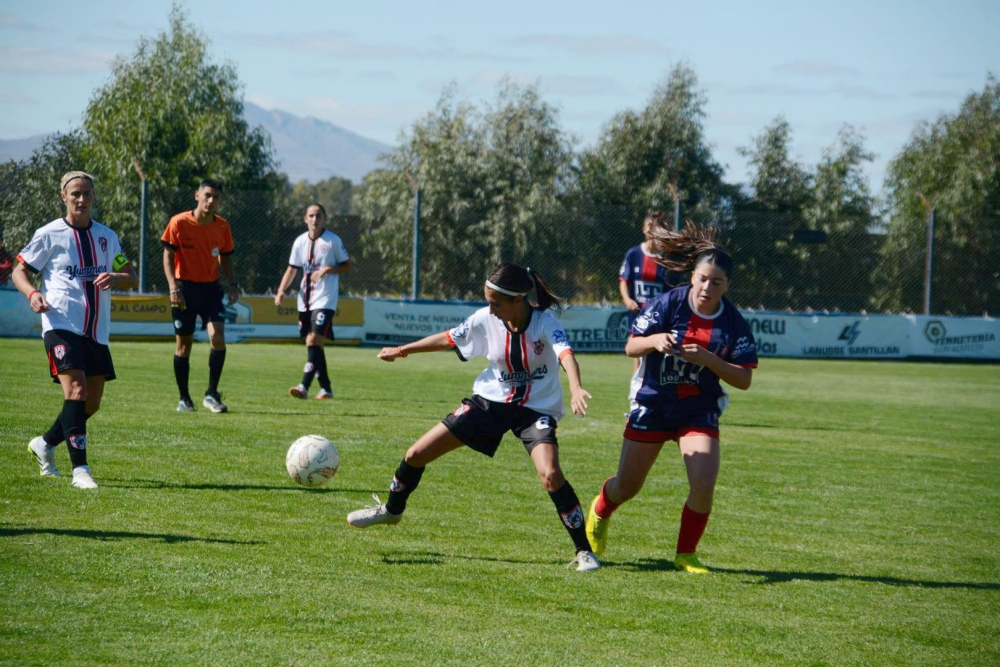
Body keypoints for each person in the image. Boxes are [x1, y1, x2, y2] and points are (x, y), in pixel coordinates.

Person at [347, 263, 601, 572]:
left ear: (519, 299)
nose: (490, 310)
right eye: (488, 302)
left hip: (535, 410)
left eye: (496, 303)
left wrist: (575, 387)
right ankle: (391, 510)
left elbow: (566, 354)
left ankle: (584, 552)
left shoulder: (544, 323)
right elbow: (447, 338)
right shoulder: (484, 318)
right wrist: (402, 350)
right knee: (415, 454)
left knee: (550, 474)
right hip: (490, 403)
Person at [587, 220, 758, 573]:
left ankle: (686, 555)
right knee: (627, 488)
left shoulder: (734, 323)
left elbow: (743, 379)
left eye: (717, 282)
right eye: (703, 278)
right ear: (693, 276)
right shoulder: (670, 303)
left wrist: (710, 359)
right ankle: (601, 508)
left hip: (697, 409)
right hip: (653, 404)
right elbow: (631, 346)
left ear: (728, 286)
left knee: (704, 483)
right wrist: (655, 341)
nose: (708, 287)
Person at [12, 171, 138, 489]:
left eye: (86, 193)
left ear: (94, 197)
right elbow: (19, 270)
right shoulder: (49, 234)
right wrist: (32, 293)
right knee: (76, 392)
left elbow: (130, 273)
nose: (81, 199)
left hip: (96, 331)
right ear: (63, 197)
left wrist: (117, 277)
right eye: (75, 194)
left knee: (90, 404)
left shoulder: (107, 237)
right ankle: (80, 471)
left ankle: (45, 443)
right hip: (60, 326)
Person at [161, 178, 239, 413]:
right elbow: (167, 256)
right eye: (207, 195)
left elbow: (225, 257)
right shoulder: (179, 222)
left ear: (220, 201)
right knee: (183, 346)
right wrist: (173, 286)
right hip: (184, 289)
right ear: (197, 195)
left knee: (217, 337)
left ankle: (211, 394)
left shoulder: (222, 226)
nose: (211, 200)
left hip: (211, 288)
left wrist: (233, 283)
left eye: (215, 197)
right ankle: (184, 399)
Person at [274, 203, 351, 400]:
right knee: (314, 344)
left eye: (318, 216)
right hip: (304, 300)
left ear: (324, 219)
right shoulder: (300, 242)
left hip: (324, 299)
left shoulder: (333, 241)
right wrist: (281, 290)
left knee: (314, 339)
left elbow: (347, 265)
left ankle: (304, 385)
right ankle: (326, 388)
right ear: (305, 218)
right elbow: (292, 269)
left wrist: (328, 269)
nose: (315, 220)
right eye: (311, 216)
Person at [619, 211, 684, 374]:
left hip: (660, 315)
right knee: (638, 352)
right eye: (648, 225)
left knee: (659, 354)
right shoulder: (633, 254)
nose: (650, 230)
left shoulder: (667, 258)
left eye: (654, 227)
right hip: (639, 313)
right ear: (643, 229)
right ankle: (637, 388)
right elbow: (624, 281)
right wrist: (627, 299)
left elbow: (673, 289)